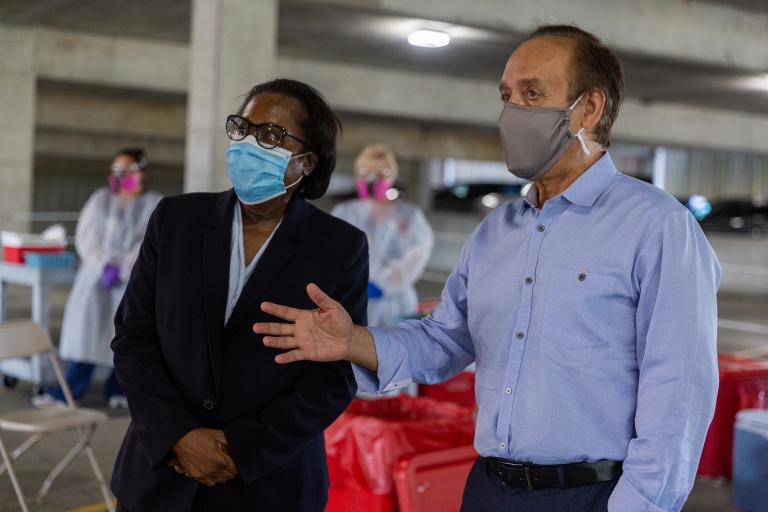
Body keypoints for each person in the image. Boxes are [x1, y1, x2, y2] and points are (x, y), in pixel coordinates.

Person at [254, 25, 721, 512]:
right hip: (487, 489)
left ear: (590, 108)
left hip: (591, 494)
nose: (511, 112)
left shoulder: (657, 227)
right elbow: (445, 340)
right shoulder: (496, 233)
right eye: (506, 95)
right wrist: (353, 341)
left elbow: (679, 394)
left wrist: (637, 506)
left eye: (532, 94)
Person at [110, 79, 367, 512]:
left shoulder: (338, 247)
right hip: (161, 476)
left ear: (305, 162)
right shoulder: (176, 221)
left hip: (267, 484)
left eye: (269, 135)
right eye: (242, 128)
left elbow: (334, 376)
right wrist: (177, 436)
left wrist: (241, 448)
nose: (248, 142)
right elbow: (133, 337)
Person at [33, 149, 162, 409]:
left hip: (132, 280)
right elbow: (86, 237)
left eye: (127, 168)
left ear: (142, 171)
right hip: (95, 279)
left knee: (125, 337)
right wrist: (104, 265)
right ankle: (68, 393)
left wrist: (124, 268)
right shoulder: (101, 199)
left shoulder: (155, 204)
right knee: (86, 336)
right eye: (117, 168)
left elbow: (148, 242)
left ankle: (118, 389)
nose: (121, 174)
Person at [331, 144, 434, 327]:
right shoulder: (345, 212)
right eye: (365, 172)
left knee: (393, 350)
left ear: (392, 176)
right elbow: (331, 251)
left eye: (381, 173)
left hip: (394, 301)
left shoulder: (409, 215)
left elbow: (418, 252)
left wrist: (385, 284)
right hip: (351, 295)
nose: (371, 179)